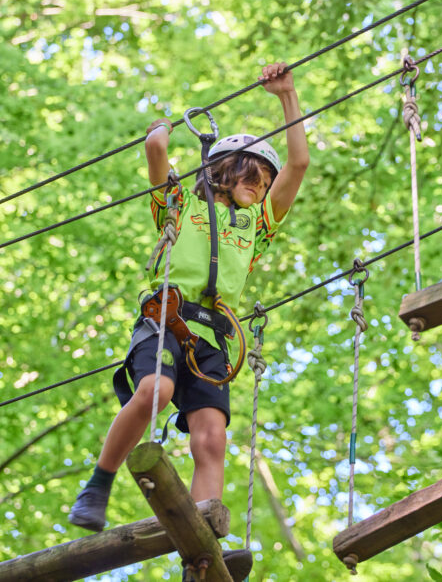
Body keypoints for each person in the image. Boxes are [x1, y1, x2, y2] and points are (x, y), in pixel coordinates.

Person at [67, 62, 308, 579]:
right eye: (253, 175)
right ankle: (99, 484)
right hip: (167, 317)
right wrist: (161, 131)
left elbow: (299, 164)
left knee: (212, 438)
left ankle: (204, 549)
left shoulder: (257, 226)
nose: (263, 185)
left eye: (266, 181)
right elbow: (156, 153)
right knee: (154, 390)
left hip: (214, 339)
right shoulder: (178, 205)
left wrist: (287, 96)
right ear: (222, 169)